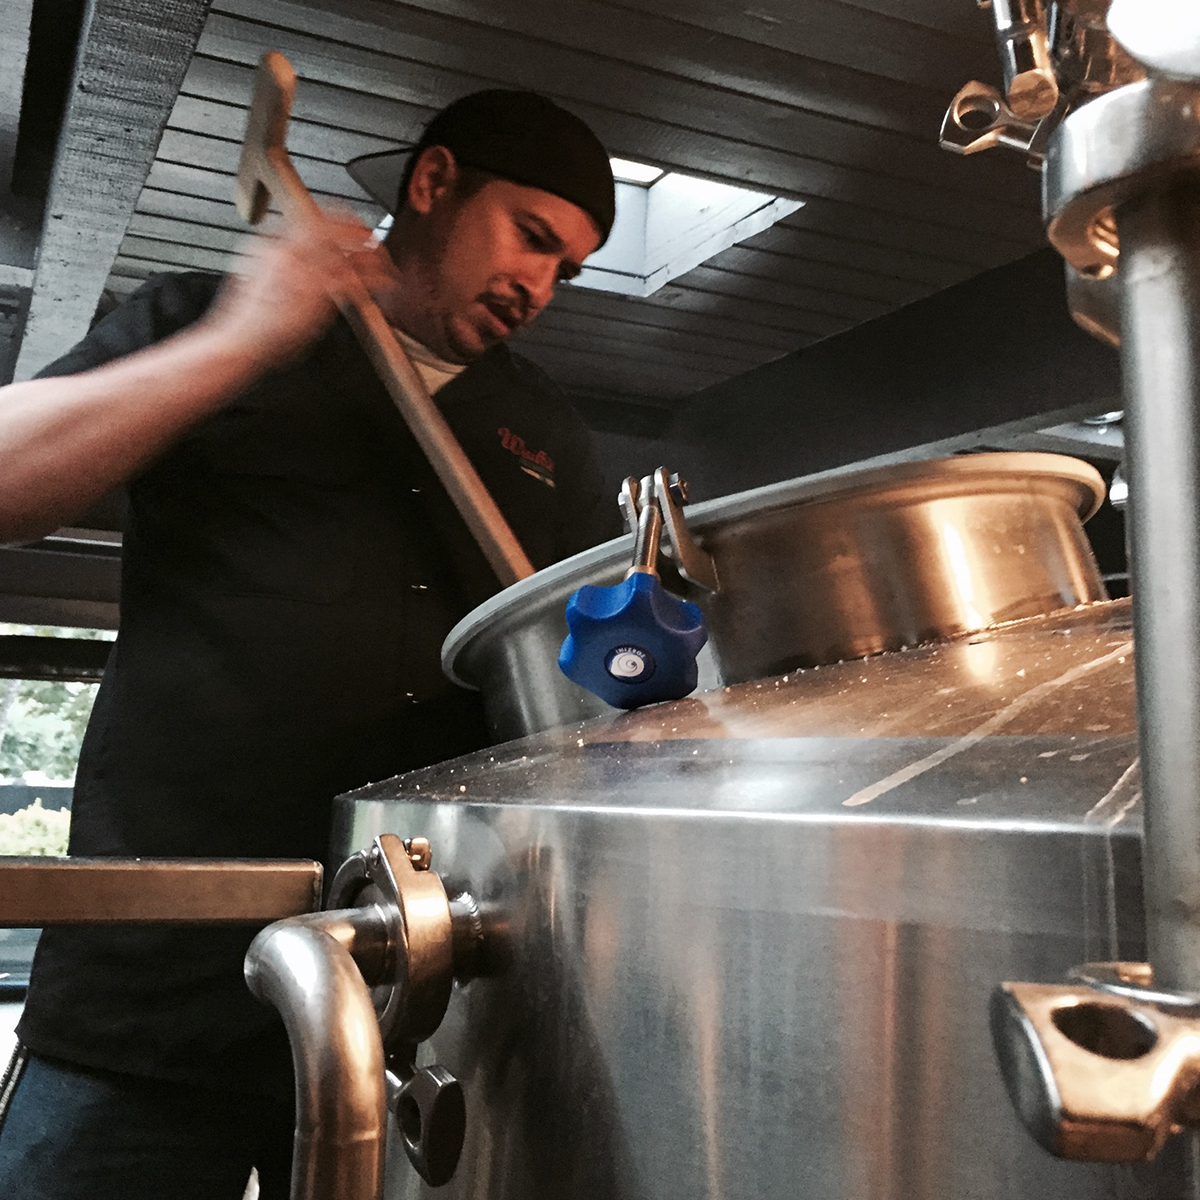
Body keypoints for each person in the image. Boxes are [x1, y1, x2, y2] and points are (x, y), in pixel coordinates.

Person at [0, 90, 619, 1198]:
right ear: (433, 184)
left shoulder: (548, 436)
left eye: (566, 270)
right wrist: (242, 340)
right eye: (531, 236)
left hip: (409, 1003)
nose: (539, 285)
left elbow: (580, 682)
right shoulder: (212, 315)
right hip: (151, 987)